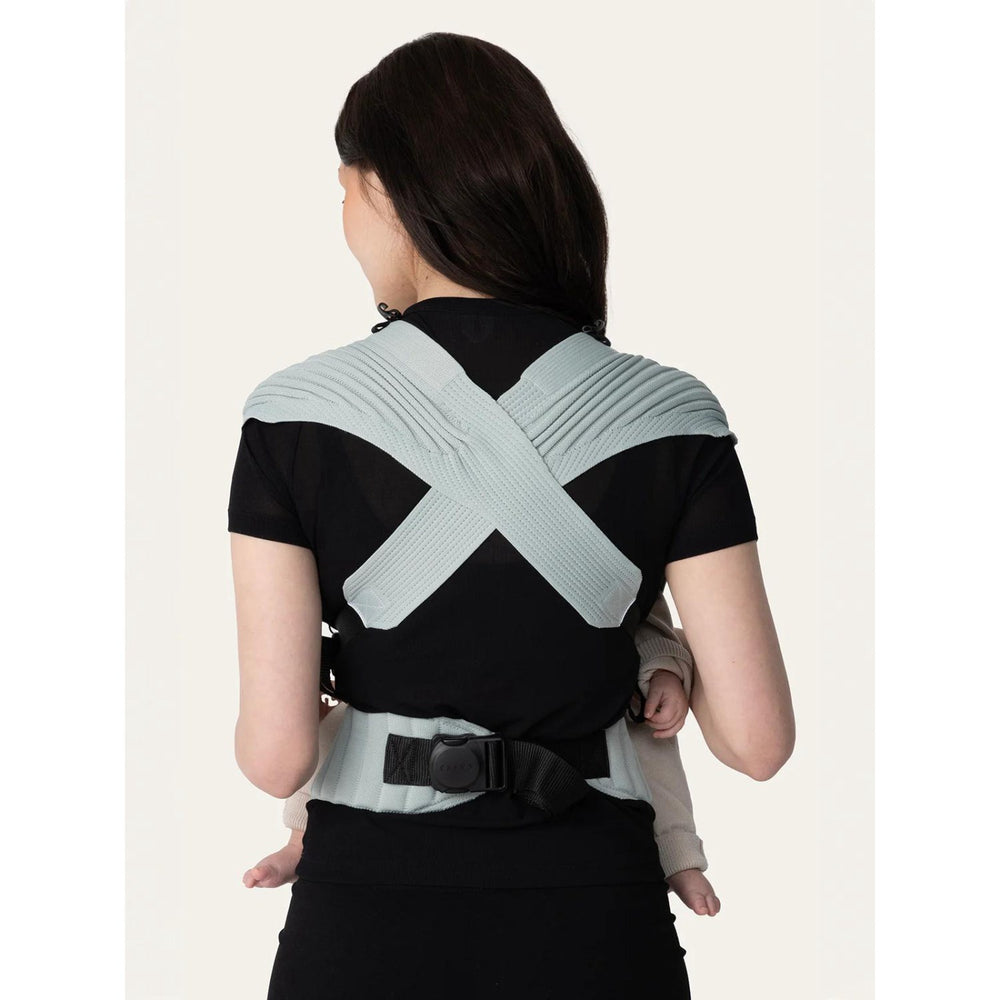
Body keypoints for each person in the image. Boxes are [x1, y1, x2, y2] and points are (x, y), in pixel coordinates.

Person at [228, 31, 794, 1000]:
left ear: (387, 193)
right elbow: (756, 740)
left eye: (343, 191)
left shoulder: (292, 414)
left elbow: (275, 753)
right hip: (597, 905)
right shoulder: (675, 415)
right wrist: (655, 648)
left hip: (367, 905)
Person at [243, 592, 724, 918]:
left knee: (647, 726)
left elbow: (640, 606)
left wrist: (663, 665)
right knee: (354, 719)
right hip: (399, 713)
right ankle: (300, 838)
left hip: (576, 750)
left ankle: (677, 852)